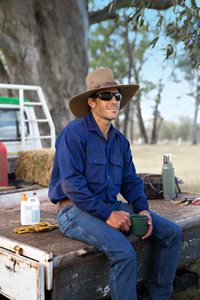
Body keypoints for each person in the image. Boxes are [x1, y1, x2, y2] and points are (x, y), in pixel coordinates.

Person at [49, 67, 182, 300]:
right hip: (73, 210)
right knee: (124, 252)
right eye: (106, 96)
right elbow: (72, 184)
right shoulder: (74, 134)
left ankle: (160, 295)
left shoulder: (121, 141)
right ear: (91, 102)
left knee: (171, 232)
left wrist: (142, 209)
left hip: (108, 204)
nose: (114, 101)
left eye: (117, 96)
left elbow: (131, 181)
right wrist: (108, 215)